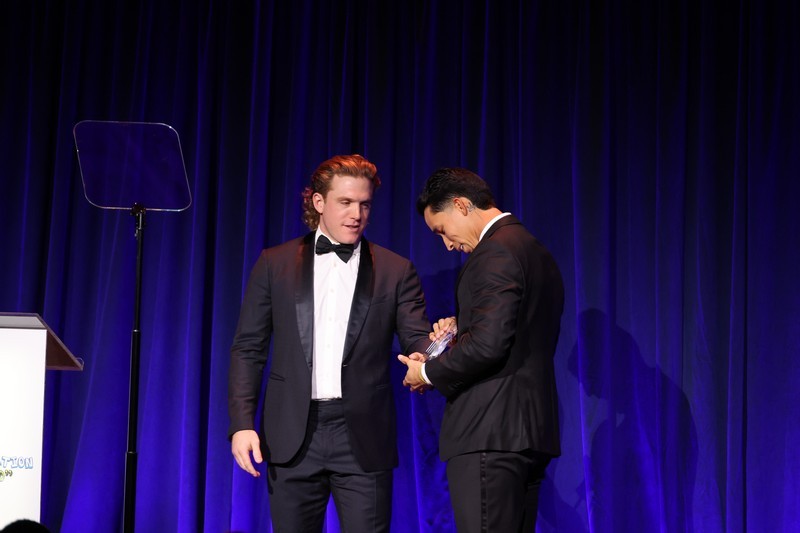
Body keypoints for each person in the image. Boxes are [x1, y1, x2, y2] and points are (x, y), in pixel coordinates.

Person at [228, 154, 436, 532]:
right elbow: (248, 348)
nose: (357, 214)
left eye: (364, 204)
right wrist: (242, 424)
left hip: (362, 435)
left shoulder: (395, 270)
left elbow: (415, 337)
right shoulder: (274, 263)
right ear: (319, 202)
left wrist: (428, 352)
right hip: (292, 433)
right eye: (345, 202)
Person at [398, 167, 564, 532]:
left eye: (442, 230)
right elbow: (513, 334)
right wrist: (462, 330)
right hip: (529, 433)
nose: (447, 245)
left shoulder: (494, 253)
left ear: (461, 205)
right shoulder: (534, 250)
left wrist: (425, 371)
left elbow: (489, 345)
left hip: (490, 433)